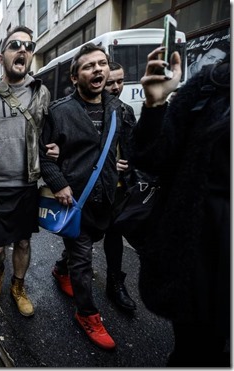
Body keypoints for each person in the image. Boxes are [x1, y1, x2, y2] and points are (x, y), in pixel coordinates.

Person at [132, 48, 230, 366]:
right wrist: (156, 103)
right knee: (198, 352)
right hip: (203, 256)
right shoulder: (209, 88)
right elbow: (152, 159)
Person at [40, 43, 123, 350]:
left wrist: (124, 161)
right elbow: (44, 156)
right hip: (75, 200)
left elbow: (128, 143)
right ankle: (87, 314)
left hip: (107, 198)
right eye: (89, 66)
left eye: (102, 64)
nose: (98, 69)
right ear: (75, 77)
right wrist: (59, 183)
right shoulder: (59, 112)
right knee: (83, 258)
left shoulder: (117, 108)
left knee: (83, 249)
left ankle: (61, 269)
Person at [0, 26, 50, 317]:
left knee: (23, 241)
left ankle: (18, 285)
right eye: (15, 45)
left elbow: (46, 133)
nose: (23, 50)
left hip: (25, 183)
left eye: (28, 46)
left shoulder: (40, 93)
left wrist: (53, 149)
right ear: (1, 55)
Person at [98, 61, 140, 311]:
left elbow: (132, 148)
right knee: (83, 236)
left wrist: (129, 165)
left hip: (118, 188)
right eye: (110, 82)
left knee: (114, 234)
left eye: (120, 81)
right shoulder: (88, 110)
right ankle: (63, 266)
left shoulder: (126, 111)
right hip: (92, 188)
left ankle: (115, 283)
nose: (115, 87)